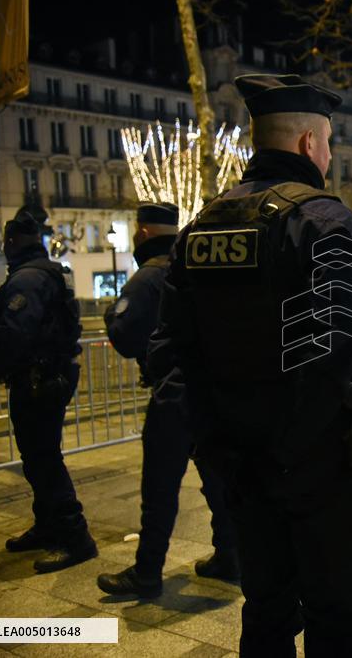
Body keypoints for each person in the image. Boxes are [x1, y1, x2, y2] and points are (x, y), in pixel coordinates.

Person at [146, 73, 352, 657]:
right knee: (337, 623)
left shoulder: (199, 228)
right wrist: (294, 452)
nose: (329, 156)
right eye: (328, 144)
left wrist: (221, 447)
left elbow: (171, 354)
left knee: (266, 615)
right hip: (322, 470)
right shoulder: (325, 222)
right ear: (309, 143)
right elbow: (331, 355)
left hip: (239, 467)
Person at [97, 202, 238, 599]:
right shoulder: (194, 265)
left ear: (142, 233)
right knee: (216, 480)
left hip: (172, 394)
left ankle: (146, 571)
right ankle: (231, 555)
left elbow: (124, 335)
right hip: (206, 391)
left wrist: (113, 318)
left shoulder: (147, 277)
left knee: (159, 488)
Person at [0, 209, 97, 573]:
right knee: (39, 457)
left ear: (12, 243)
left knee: (43, 459)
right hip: (52, 374)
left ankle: (76, 538)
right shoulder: (50, 271)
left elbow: (17, 334)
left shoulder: (27, 280)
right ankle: (47, 526)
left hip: (37, 379)